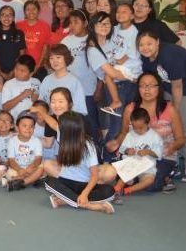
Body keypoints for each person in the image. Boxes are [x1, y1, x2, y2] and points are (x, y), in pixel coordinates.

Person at [137, 31, 186, 182]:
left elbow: (177, 86)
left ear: (157, 42)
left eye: (149, 43)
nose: (145, 48)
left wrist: (174, 110)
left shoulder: (170, 55)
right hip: (169, 86)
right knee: (166, 123)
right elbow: (152, 80)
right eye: (141, 45)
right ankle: (171, 161)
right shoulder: (145, 58)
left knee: (184, 124)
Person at [106, 72, 186, 193]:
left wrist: (173, 146)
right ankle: (157, 178)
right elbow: (124, 133)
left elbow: (181, 138)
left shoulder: (170, 109)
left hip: (161, 156)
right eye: (142, 85)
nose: (146, 89)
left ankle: (168, 172)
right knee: (125, 178)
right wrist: (116, 142)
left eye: (151, 85)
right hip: (136, 156)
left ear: (159, 88)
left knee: (151, 185)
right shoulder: (130, 109)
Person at [43, 112, 115, 214]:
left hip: (84, 185)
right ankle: (91, 206)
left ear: (68, 129)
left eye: (60, 126)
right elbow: (52, 123)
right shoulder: (62, 137)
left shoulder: (88, 146)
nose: (58, 127)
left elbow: (95, 175)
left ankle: (67, 200)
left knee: (109, 191)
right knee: (48, 182)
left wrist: (85, 194)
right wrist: (42, 113)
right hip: (66, 182)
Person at [86, 12, 136, 149]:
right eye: (100, 23)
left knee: (129, 123)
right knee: (117, 125)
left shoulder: (112, 41)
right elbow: (113, 74)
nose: (104, 26)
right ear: (93, 26)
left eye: (107, 23)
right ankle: (107, 155)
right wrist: (134, 77)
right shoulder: (92, 50)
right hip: (116, 87)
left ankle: (121, 155)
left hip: (130, 85)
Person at [113, 107, 163, 203]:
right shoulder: (130, 135)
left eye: (140, 128)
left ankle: (129, 190)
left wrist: (149, 152)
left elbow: (159, 154)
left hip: (147, 166)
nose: (137, 130)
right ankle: (117, 188)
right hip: (132, 164)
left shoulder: (154, 136)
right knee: (124, 174)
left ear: (148, 123)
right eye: (134, 127)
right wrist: (128, 150)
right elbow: (122, 149)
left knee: (149, 180)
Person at [62, 10, 100, 136]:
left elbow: (101, 68)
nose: (72, 25)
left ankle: (94, 147)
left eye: (76, 22)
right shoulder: (66, 41)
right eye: (70, 22)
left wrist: (99, 88)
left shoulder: (93, 40)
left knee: (91, 124)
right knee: (73, 125)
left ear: (85, 23)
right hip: (70, 91)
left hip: (88, 90)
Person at [39, 44, 88, 116]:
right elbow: (41, 102)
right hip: (49, 120)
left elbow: (79, 110)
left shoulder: (74, 82)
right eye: (51, 58)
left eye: (58, 57)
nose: (55, 61)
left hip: (68, 121)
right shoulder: (47, 79)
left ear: (66, 58)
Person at [6, 111, 44, 191]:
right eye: (24, 126)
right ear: (17, 128)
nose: (28, 128)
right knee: (9, 173)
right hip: (17, 168)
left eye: (31, 126)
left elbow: (38, 159)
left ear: (34, 128)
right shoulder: (12, 141)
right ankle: (30, 179)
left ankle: (20, 181)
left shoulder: (37, 141)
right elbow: (11, 160)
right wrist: (19, 169)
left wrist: (32, 166)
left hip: (31, 168)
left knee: (42, 169)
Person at [0, 5, 26, 81]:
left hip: (16, 72)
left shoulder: (19, 33)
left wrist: (13, 72)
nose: (6, 17)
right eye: (3, 15)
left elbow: (22, 55)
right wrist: (0, 73)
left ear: (13, 18)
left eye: (10, 15)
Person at [1, 54, 41, 120]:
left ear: (31, 73)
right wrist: (22, 96)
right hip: (16, 122)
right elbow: (5, 108)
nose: (17, 72)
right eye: (16, 68)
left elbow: (40, 103)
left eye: (22, 71)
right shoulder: (8, 84)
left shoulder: (36, 82)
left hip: (33, 122)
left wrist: (35, 98)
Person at [17, 0, 51, 73]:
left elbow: (45, 48)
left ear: (38, 11)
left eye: (34, 9)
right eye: (28, 9)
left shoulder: (45, 26)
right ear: (24, 12)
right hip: (22, 65)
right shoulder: (18, 26)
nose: (31, 12)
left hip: (39, 66)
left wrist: (38, 65)